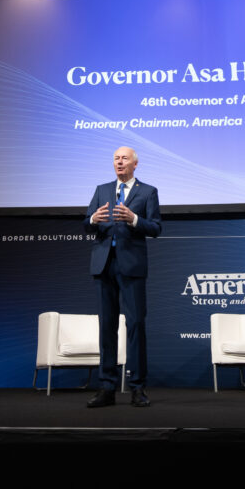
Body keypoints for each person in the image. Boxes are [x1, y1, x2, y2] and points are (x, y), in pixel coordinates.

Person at [84, 146, 161, 407]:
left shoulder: (148, 192)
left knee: (136, 325)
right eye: (116, 158)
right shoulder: (101, 190)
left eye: (124, 158)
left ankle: (138, 388)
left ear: (135, 164)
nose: (119, 162)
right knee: (107, 327)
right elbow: (87, 224)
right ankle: (107, 388)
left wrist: (134, 219)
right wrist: (93, 218)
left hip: (132, 266)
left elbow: (156, 228)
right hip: (104, 264)